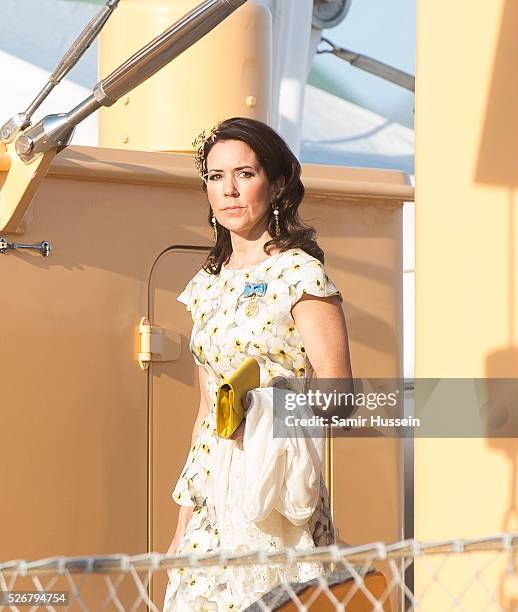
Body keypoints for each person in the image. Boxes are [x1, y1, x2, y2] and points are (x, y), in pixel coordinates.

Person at [163, 117, 353, 611]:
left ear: (277, 182)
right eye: (215, 176)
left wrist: (263, 408)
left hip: (275, 492)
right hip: (213, 496)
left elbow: (339, 396)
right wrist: (185, 518)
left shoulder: (298, 274)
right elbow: (206, 409)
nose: (228, 190)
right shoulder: (206, 284)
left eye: (244, 174)